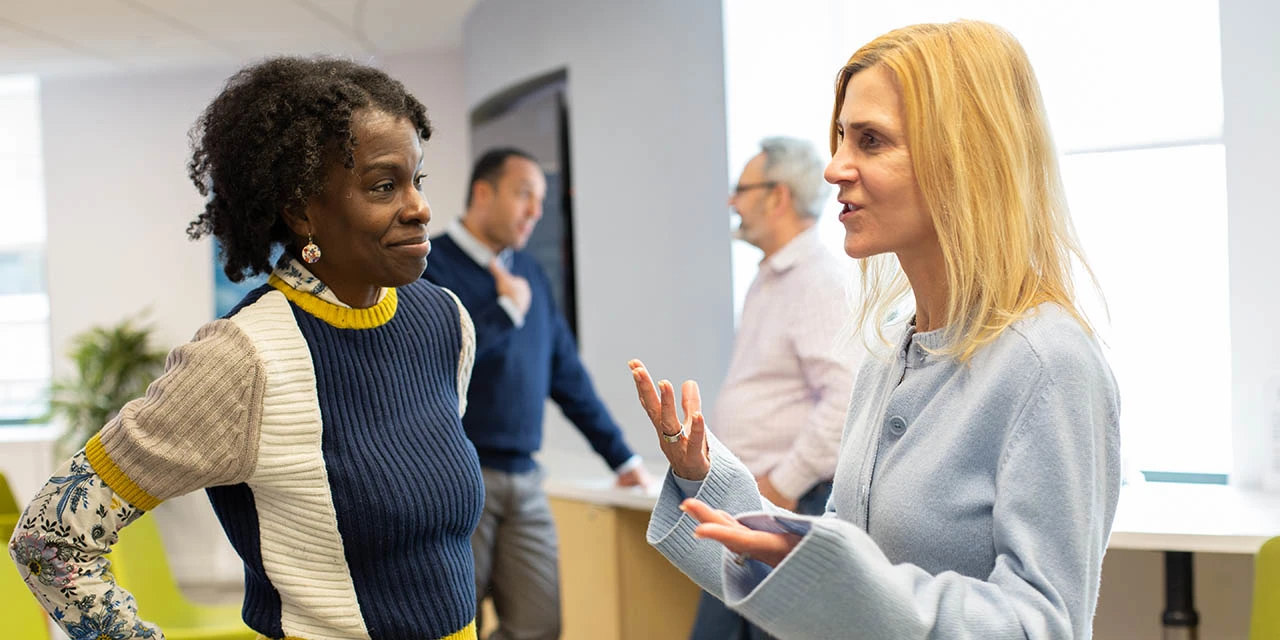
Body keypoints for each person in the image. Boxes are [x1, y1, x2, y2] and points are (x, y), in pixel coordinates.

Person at [630, 20, 1121, 639]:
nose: (835, 168)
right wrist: (706, 481)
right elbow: (834, 563)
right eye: (840, 137)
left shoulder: (1047, 363)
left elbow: (1040, 625)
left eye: (870, 140)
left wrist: (838, 574)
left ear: (964, 158)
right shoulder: (890, 354)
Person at [8, 57, 485, 640]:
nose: (420, 208)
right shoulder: (241, 361)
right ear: (302, 211)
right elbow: (48, 540)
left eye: (418, 180)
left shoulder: (444, 321)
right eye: (384, 186)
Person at [423, 148, 653, 640]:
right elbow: (433, 369)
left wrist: (623, 459)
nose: (535, 211)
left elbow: (566, 375)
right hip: (458, 475)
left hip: (525, 478)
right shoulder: (429, 268)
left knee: (540, 625)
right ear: (483, 193)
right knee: (454, 625)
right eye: (524, 194)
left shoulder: (530, 274)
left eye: (541, 200)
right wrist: (505, 313)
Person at [690, 137, 859, 640]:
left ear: (777, 196)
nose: (732, 202)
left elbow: (845, 400)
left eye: (741, 190)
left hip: (793, 502)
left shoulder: (818, 280)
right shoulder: (771, 277)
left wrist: (785, 481)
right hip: (755, 501)